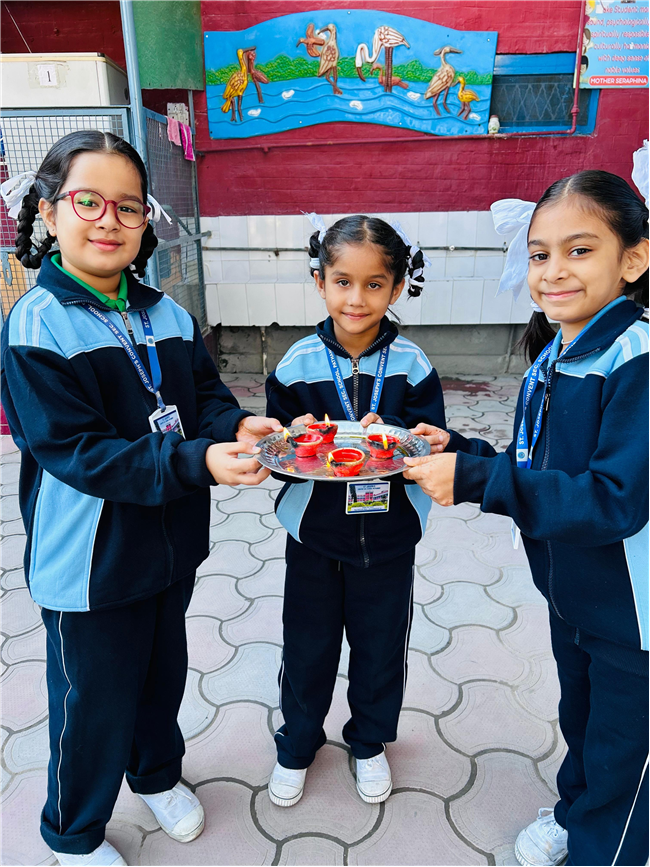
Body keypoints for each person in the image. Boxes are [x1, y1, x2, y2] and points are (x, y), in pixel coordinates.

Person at [0, 130, 281, 867]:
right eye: (87, 201)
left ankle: (155, 773)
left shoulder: (168, 314)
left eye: (128, 206)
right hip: (89, 561)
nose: (108, 220)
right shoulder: (36, 326)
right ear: (50, 212)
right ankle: (73, 830)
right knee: (92, 700)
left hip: (168, 544)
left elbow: (207, 400)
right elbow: (79, 452)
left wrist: (237, 424)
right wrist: (199, 460)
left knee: (161, 672)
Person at [403, 170, 649, 867]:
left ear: (633, 259)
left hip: (636, 615)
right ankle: (577, 811)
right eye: (540, 254)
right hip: (574, 594)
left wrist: (479, 479)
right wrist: (462, 450)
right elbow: (538, 467)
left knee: (626, 755)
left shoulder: (637, 360)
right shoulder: (557, 354)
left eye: (580, 250)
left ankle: (605, 847)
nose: (552, 271)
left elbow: (611, 499)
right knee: (583, 719)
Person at [263, 214, 460, 808]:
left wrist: (397, 436)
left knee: (379, 649)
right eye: (342, 281)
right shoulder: (295, 362)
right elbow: (278, 454)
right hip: (315, 536)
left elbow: (432, 441)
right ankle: (297, 745)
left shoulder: (414, 364)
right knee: (306, 644)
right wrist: (295, 435)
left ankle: (369, 742)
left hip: (391, 536)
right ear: (319, 281)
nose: (357, 297)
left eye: (375, 284)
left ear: (397, 287)